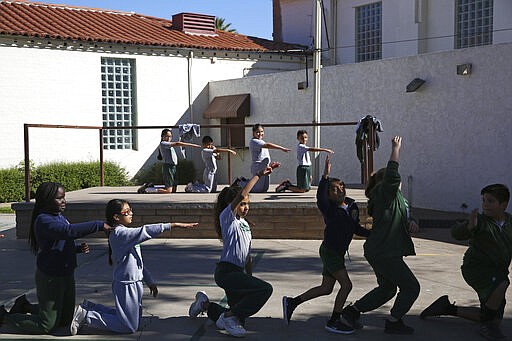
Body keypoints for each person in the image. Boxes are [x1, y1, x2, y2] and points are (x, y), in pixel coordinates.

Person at [69, 199, 198, 335]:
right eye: (127, 211)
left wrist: (149, 280)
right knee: (128, 327)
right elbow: (145, 230)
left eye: (131, 210)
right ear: (116, 217)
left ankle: (91, 307)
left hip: (134, 283)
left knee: (131, 319)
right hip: (126, 284)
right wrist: (173, 225)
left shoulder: (125, 233)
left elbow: (137, 261)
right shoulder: (120, 234)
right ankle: (87, 316)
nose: (131, 213)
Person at [0, 182, 111, 334]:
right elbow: (68, 231)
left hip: (66, 273)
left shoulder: (57, 216)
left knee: (65, 320)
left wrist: (76, 249)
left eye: (64, 197)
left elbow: (58, 242)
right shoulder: (44, 220)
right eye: (59, 198)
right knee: (47, 325)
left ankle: (26, 306)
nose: (64, 201)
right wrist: (99, 225)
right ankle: (5, 317)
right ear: (46, 200)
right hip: (51, 277)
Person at [188, 162, 279, 337]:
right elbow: (243, 193)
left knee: (239, 315)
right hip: (226, 273)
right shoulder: (227, 219)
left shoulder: (245, 224)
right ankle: (229, 316)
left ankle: (205, 304)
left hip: (238, 273)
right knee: (265, 289)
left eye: (247, 204)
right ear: (233, 204)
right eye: (242, 204)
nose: (246, 208)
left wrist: (249, 277)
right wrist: (259, 175)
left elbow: (248, 255)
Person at [281, 154, 370, 334]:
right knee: (347, 285)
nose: (337, 191)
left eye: (339, 188)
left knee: (327, 288)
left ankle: (292, 302)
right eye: (332, 190)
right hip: (330, 252)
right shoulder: (329, 209)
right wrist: (324, 177)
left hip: (336, 253)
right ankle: (334, 321)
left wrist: (372, 234)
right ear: (328, 195)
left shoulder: (352, 206)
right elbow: (320, 198)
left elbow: (356, 228)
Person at [341, 136, 420, 335]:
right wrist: (395, 148)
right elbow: (393, 174)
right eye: (395, 181)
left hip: (383, 250)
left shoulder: (396, 200)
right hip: (384, 252)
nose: (398, 183)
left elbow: (402, 217)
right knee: (411, 287)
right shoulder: (385, 194)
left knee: (387, 289)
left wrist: (412, 223)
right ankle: (394, 321)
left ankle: (352, 312)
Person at [420, 184, 511, 340]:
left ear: (503, 205)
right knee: (502, 284)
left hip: (497, 270)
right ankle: (487, 328)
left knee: (494, 317)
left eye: (490, 201)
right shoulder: (480, 221)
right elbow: (456, 233)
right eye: (483, 200)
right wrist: (468, 227)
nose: (485, 205)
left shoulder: (510, 222)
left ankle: (447, 308)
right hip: (476, 269)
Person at [138, 128, 201, 194]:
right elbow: (177, 143)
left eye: (170, 136)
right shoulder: (163, 143)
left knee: (173, 189)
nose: (168, 138)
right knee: (168, 191)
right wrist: (192, 145)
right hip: (168, 167)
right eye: (166, 136)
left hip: (173, 167)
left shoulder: (168, 144)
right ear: (162, 137)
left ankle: (151, 186)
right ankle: (147, 189)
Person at [249, 123, 290, 193]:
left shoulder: (261, 141)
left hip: (265, 167)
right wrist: (281, 148)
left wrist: (271, 166)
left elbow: (264, 156)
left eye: (261, 131)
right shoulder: (254, 141)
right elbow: (268, 145)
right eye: (257, 132)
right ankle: (241, 183)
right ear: (253, 133)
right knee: (258, 190)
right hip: (258, 167)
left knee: (264, 189)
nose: (260, 133)